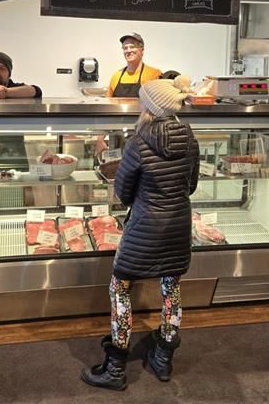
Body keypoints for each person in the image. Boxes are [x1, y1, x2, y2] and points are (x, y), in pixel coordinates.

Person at [81, 76, 200, 391]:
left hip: (145, 225)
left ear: (149, 105)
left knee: (120, 287)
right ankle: (163, 358)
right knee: (171, 287)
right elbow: (191, 185)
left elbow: (123, 192)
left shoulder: (139, 140)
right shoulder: (189, 137)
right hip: (178, 224)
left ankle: (116, 366)